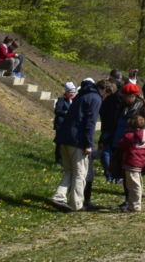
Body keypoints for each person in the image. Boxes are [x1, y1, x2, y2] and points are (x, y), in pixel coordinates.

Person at [58, 78, 102, 212]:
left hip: (64, 138)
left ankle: (58, 197)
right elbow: (90, 123)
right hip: (77, 141)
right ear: (103, 90)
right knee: (80, 173)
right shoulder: (95, 98)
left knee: (69, 171)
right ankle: (76, 204)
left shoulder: (79, 96)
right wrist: (88, 144)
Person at [116, 112, 145, 212]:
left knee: (133, 185)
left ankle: (135, 205)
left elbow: (121, 144)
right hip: (140, 162)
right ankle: (133, 204)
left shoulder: (129, 136)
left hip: (130, 162)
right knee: (136, 183)